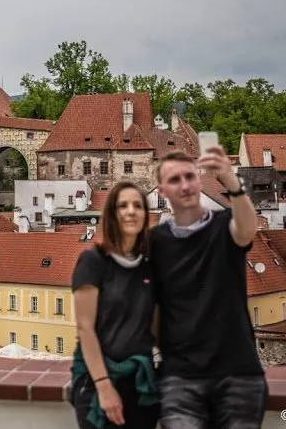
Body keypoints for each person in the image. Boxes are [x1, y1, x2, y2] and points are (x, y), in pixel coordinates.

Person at [150, 147, 267, 428]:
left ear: (200, 181)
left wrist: (231, 182)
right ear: (162, 191)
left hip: (238, 371)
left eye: (190, 176)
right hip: (180, 375)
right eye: (175, 180)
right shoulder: (155, 242)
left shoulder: (225, 225)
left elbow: (248, 230)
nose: (186, 185)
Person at [70, 181, 160, 429]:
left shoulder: (148, 266)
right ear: (112, 214)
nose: (131, 211)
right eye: (123, 205)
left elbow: (155, 327)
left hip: (140, 381)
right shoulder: (93, 261)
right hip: (98, 379)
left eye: (138, 206)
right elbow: (85, 328)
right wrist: (103, 385)